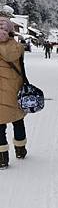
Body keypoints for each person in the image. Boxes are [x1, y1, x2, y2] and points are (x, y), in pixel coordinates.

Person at [0, 17, 27, 169]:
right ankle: (20, 150)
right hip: (14, 89)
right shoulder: (17, 47)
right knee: (18, 120)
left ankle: (2, 159)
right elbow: (22, 68)